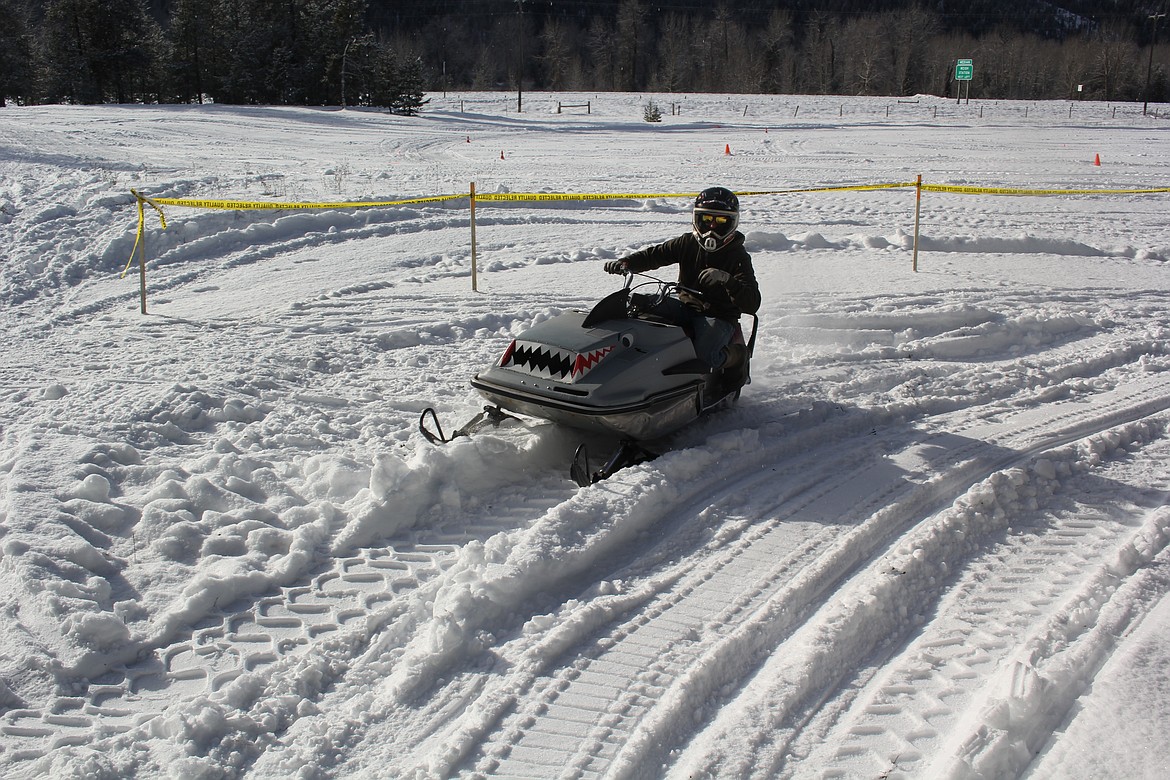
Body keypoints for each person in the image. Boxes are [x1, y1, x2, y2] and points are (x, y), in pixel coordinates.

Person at [604, 186, 760, 378]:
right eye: (706, 219)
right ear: (696, 219)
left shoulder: (738, 256)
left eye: (720, 221)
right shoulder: (687, 243)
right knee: (636, 306)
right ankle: (627, 367)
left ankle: (738, 355)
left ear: (732, 223)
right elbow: (655, 255)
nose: (712, 227)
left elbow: (752, 302)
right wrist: (626, 263)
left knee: (705, 356)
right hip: (684, 306)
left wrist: (727, 279)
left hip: (718, 316)